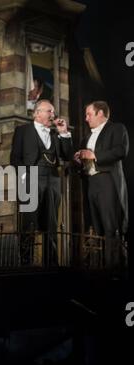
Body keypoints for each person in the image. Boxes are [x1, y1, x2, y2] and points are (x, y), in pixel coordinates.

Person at [10, 99, 73, 267]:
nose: (53, 115)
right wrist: (24, 178)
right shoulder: (22, 131)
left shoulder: (55, 134)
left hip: (52, 179)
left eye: (53, 112)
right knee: (29, 223)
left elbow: (67, 155)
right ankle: (26, 264)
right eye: (49, 111)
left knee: (51, 223)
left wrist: (64, 133)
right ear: (37, 113)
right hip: (31, 178)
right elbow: (15, 158)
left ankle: (51, 264)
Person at [74, 101, 129, 266]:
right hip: (91, 183)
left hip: (107, 182)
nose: (85, 118)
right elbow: (86, 161)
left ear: (100, 113)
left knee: (110, 227)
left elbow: (121, 150)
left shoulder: (116, 128)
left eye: (89, 114)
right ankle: (100, 269)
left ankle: (114, 270)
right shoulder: (87, 137)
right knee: (96, 229)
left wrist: (94, 155)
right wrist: (79, 161)